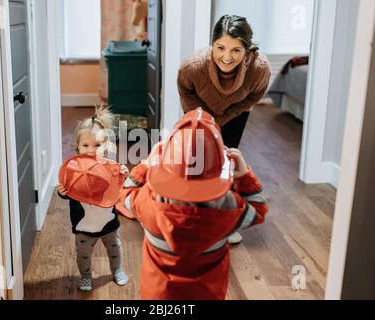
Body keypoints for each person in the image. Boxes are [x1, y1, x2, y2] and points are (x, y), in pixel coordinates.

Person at [115, 108, 269, 300]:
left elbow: (125, 192)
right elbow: (259, 211)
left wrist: (146, 165)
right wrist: (245, 175)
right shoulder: (228, 208)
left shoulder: (148, 202)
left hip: (158, 296)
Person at [177, 14, 271, 244]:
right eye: (220, 47)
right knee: (198, 160)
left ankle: (224, 219)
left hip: (235, 112)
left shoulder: (260, 69)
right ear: (212, 45)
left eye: (236, 50)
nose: (226, 57)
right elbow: (185, 91)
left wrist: (226, 117)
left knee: (226, 160)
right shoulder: (193, 67)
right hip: (200, 109)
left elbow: (254, 96)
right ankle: (194, 214)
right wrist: (206, 120)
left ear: (247, 51)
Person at [57, 105, 129, 292]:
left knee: (115, 249)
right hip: (83, 228)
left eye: (97, 145)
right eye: (86, 145)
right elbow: (69, 191)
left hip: (109, 224)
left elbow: (118, 183)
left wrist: (124, 173)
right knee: (83, 255)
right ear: (77, 147)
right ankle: (85, 277)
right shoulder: (73, 170)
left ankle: (117, 270)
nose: (91, 150)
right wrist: (62, 192)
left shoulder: (109, 166)